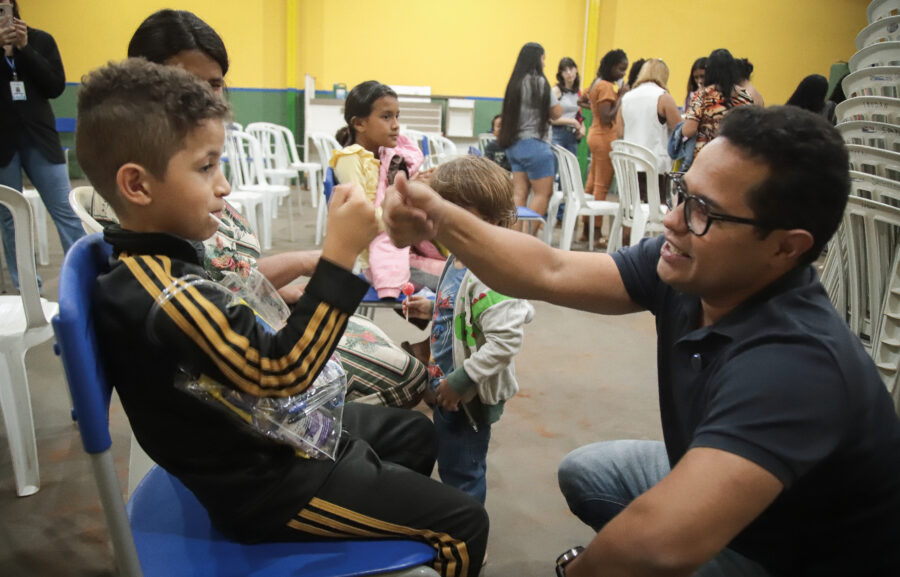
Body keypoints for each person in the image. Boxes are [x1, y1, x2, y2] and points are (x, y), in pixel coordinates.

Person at [382, 104, 900, 577]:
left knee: (653, 544)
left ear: (786, 248)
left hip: (791, 555)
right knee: (588, 472)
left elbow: (658, 544)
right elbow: (548, 269)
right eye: (681, 193)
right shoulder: (689, 267)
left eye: (704, 212)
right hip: (759, 503)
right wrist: (435, 215)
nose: (671, 220)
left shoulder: (797, 365)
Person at [77, 58, 488, 577]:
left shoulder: (158, 264)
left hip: (268, 436)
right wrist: (339, 257)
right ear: (137, 185)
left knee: (415, 434)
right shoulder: (167, 293)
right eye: (206, 168)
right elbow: (284, 371)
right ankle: (369, 517)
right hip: (264, 486)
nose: (224, 186)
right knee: (465, 524)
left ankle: (373, 524)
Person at [122, 9, 427, 408]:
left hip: (263, 317)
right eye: (185, 85)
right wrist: (332, 259)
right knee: (410, 388)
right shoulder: (157, 205)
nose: (225, 187)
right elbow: (273, 361)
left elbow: (227, 273)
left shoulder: (184, 185)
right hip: (255, 363)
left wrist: (280, 288)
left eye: (214, 85)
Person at [403, 157, 534, 504]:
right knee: (449, 461)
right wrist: (433, 307)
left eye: (453, 212)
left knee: (463, 473)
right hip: (446, 386)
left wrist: (461, 382)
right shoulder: (459, 256)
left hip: (467, 397)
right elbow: (462, 306)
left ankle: (467, 529)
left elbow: (505, 341)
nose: (439, 220)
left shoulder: (492, 275)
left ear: (491, 220)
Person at [330, 80, 446, 298]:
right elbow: (364, 220)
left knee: (466, 267)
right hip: (379, 262)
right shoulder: (350, 160)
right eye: (386, 117)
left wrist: (416, 185)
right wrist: (406, 198)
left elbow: (387, 194)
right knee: (461, 280)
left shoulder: (386, 156)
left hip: (403, 250)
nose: (395, 125)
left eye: (397, 116)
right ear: (359, 123)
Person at [0, 0, 84, 288]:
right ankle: (27, 286)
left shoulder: (40, 40)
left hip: (40, 139)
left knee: (65, 209)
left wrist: (25, 49)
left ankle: (83, 279)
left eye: (5, 6)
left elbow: (55, 86)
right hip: (2, 145)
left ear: (14, 8)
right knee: (10, 216)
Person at [497, 42, 562, 235]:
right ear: (537, 59)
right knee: (543, 193)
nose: (545, 64)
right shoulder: (539, 82)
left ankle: (514, 237)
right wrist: (555, 95)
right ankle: (527, 238)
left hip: (515, 145)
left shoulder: (514, 83)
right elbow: (557, 113)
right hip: (536, 146)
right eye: (543, 59)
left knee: (519, 194)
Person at [583, 49, 628, 245]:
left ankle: (586, 231)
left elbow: (585, 100)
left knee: (592, 184)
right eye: (620, 69)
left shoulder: (597, 83)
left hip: (595, 135)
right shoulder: (607, 87)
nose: (623, 74)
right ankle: (595, 234)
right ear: (610, 67)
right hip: (604, 138)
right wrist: (621, 97)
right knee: (601, 186)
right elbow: (607, 117)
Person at [682, 48, 753, 160]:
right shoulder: (745, 95)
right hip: (736, 157)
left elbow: (688, 130)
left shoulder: (703, 95)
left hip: (708, 157)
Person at [617, 58, 682, 175]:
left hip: (629, 168)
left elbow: (620, 132)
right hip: (655, 168)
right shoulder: (663, 97)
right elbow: (679, 129)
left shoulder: (626, 98)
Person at [550, 57, 585, 156]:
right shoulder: (556, 91)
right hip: (557, 133)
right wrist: (572, 122)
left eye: (571, 69)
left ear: (576, 69)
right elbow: (550, 118)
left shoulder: (578, 92)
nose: (569, 73)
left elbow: (578, 114)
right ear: (561, 74)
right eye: (565, 70)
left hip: (572, 135)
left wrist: (582, 127)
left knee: (571, 165)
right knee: (556, 164)